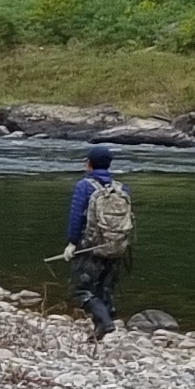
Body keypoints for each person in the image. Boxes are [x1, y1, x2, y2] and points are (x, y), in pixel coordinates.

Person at [57, 144, 134, 342]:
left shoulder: (84, 186)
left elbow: (76, 218)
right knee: (105, 288)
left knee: (80, 289)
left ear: (89, 164)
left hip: (90, 247)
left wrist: (71, 243)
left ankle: (105, 322)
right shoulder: (122, 188)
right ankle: (101, 328)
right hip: (116, 245)